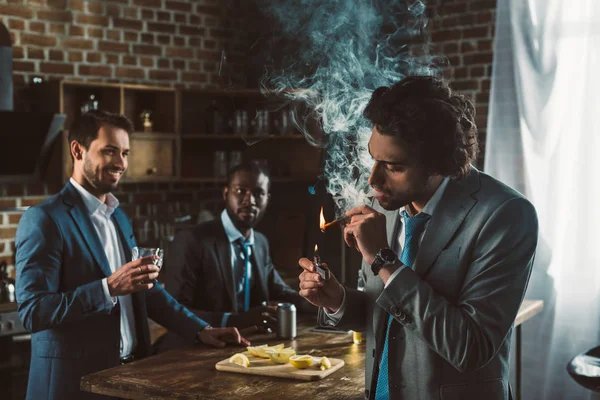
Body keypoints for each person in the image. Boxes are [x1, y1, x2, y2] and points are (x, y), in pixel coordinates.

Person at [298, 76, 538, 400]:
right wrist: (336, 300)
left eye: (393, 167)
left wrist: (383, 260)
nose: (373, 180)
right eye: (374, 159)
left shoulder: (506, 216)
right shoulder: (382, 206)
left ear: (439, 164)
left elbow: (470, 347)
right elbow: (388, 316)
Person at [15, 110, 249, 400]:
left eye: (125, 152)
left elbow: (146, 292)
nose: (121, 162)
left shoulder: (119, 217)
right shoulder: (44, 219)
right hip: (71, 387)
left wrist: (202, 330)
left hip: (128, 381)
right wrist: (108, 288)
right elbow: (32, 311)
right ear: (77, 150)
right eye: (110, 151)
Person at [159, 161, 313, 350]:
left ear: (267, 198)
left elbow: (279, 290)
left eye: (258, 193)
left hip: (244, 347)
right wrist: (234, 320)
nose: (250, 200)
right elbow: (175, 310)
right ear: (226, 194)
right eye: (241, 191)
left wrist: (323, 302)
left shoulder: (260, 242)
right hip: (192, 350)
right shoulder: (193, 241)